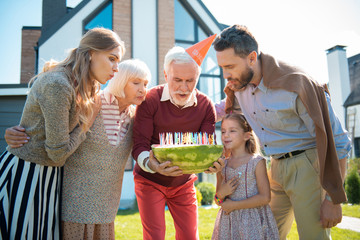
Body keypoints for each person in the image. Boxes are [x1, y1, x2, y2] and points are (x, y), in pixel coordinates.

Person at [213, 24, 352, 240]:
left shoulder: (297, 84)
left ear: (251, 58)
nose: (225, 75)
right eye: (222, 67)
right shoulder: (239, 85)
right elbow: (222, 109)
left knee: (313, 237)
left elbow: (339, 141)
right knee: (265, 234)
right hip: (275, 167)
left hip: (308, 167)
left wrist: (333, 198)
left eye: (229, 66)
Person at [5, 59, 151, 239]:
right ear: (120, 80)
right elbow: (52, 130)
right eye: (136, 83)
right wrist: (16, 133)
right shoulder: (92, 103)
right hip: (73, 205)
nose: (143, 89)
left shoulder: (137, 115)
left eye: (145, 84)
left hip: (106, 207)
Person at [0, 27, 124, 240]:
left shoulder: (83, 87)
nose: (116, 68)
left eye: (118, 62)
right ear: (91, 53)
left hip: (48, 177)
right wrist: (86, 124)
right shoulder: (58, 84)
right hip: (26, 175)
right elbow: (57, 153)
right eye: (112, 59)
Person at [132, 35, 224, 240]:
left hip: (183, 182)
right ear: (166, 74)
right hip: (150, 179)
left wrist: (212, 164)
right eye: (177, 80)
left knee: (190, 236)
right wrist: (153, 165)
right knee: (155, 235)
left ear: (197, 79)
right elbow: (139, 145)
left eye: (190, 81)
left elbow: (205, 146)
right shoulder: (150, 100)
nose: (183, 87)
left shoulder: (205, 105)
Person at [212, 113, 279, 240]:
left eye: (232, 131)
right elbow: (217, 200)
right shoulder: (222, 164)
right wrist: (222, 193)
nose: (226, 135)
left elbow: (265, 198)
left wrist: (234, 205)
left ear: (246, 136)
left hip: (253, 221)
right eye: (223, 131)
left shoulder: (257, 162)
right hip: (229, 223)